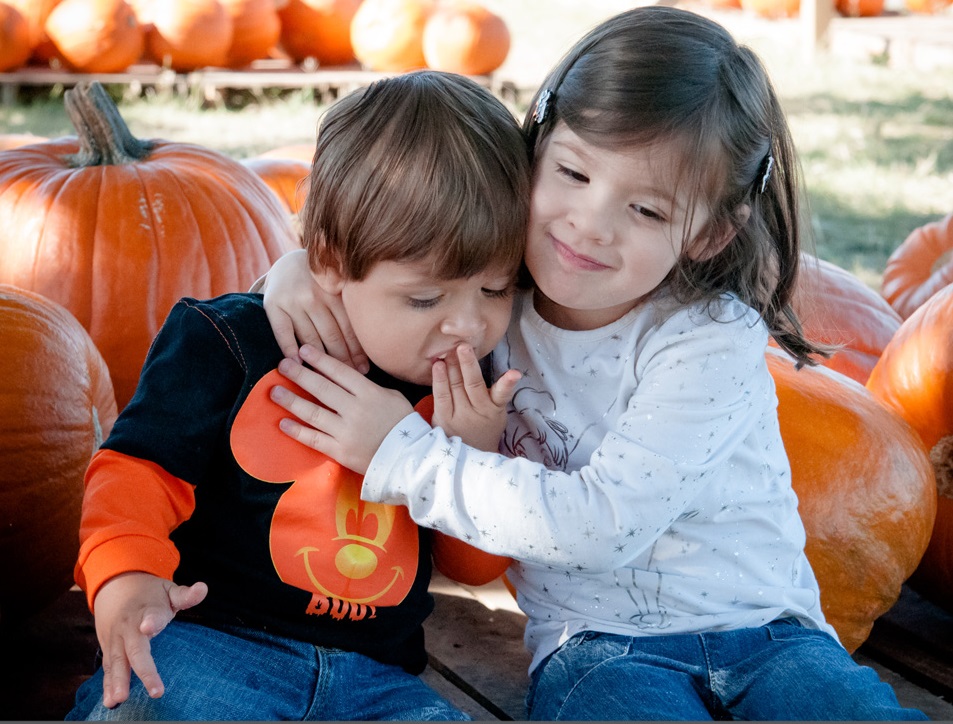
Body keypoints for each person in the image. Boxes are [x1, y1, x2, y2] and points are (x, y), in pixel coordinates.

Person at [257, 7, 927, 721]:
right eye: (573, 172)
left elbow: (603, 525)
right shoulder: (488, 298)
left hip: (767, 633)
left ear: (707, 233)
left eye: (645, 211)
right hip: (598, 647)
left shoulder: (706, 339)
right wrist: (296, 268)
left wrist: (402, 454)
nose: (589, 223)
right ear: (537, 144)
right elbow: (391, 255)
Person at [66, 69, 531, 722]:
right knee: (157, 707)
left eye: (495, 289)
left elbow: (473, 569)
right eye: (425, 297)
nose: (467, 324)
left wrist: (471, 461)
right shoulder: (230, 341)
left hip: (378, 683)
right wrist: (125, 575)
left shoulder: (467, 382)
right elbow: (138, 470)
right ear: (331, 263)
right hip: (214, 645)